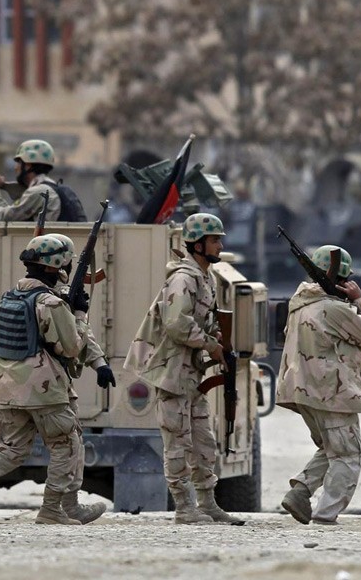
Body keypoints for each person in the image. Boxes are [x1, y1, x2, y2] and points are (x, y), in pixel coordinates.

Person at [0, 234, 115, 525]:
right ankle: (53, 509)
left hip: (6, 386)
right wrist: (78, 313)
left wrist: (98, 361)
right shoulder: (50, 303)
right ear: (58, 267)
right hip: (44, 389)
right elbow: (71, 346)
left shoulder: (10, 297)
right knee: (67, 444)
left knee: (10, 448)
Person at [123, 213, 240, 525]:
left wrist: (216, 336)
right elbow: (177, 324)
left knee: (204, 443)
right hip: (172, 374)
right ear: (199, 245)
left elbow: (202, 320)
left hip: (191, 376)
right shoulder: (183, 278)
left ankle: (208, 503)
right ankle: (184, 508)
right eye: (215, 239)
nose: (220, 244)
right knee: (177, 444)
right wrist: (209, 344)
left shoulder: (205, 279)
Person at [277, 245, 361, 526]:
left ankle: (301, 491)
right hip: (330, 393)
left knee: (331, 448)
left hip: (304, 392)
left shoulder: (300, 302)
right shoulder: (333, 308)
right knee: (347, 455)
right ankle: (325, 516)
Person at [0, 139, 62, 221]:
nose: (15, 168)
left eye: (19, 162)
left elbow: (4, 216)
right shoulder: (52, 187)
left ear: (28, 165)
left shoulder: (38, 192)